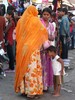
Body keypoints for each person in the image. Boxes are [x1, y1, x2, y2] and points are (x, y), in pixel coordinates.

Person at [15, 5, 48, 99]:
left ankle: (24, 90)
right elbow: (43, 30)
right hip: (33, 48)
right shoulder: (35, 20)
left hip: (23, 48)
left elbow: (17, 33)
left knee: (24, 68)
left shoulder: (21, 21)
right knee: (32, 69)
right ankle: (31, 92)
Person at [40, 7, 55, 91]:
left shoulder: (51, 25)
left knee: (47, 67)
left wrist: (48, 36)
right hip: (39, 48)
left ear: (50, 15)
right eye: (44, 14)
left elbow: (53, 37)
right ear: (42, 14)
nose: (45, 16)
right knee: (40, 67)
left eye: (47, 15)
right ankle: (40, 84)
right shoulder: (38, 23)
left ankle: (46, 85)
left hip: (47, 49)